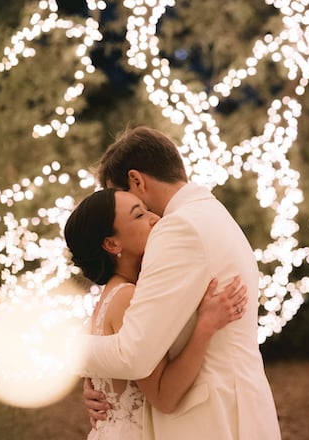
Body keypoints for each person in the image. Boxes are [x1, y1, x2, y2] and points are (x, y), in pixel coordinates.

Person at [79, 126, 282, 439]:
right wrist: (106, 382)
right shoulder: (211, 213)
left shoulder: (179, 228)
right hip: (234, 406)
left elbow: (134, 355)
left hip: (209, 419)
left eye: (122, 197)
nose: (147, 217)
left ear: (136, 181)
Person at [64, 188, 249, 439]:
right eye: (139, 215)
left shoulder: (109, 298)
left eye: (146, 209)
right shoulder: (128, 298)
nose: (155, 218)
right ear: (111, 243)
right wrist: (206, 325)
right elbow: (165, 396)